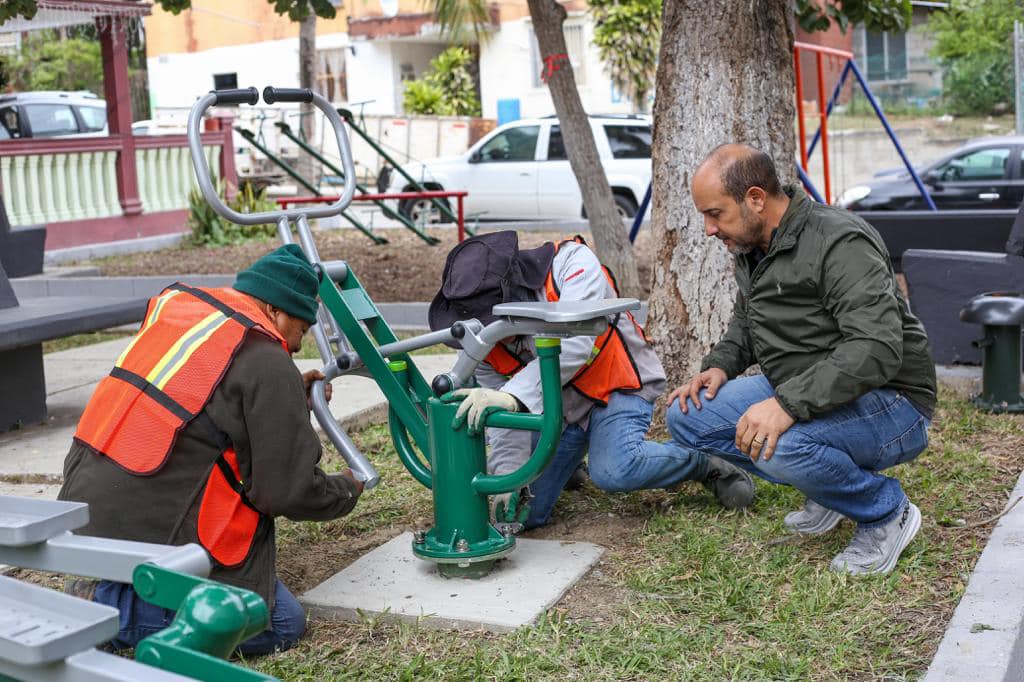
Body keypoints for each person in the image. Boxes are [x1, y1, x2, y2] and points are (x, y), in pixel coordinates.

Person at [59, 244, 364, 654]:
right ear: (275, 311)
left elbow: (202, 404)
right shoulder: (267, 360)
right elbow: (286, 492)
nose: (296, 345)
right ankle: (109, 608)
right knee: (279, 622)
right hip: (150, 537)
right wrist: (346, 489)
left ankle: (106, 585)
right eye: (302, 329)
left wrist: (288, 395)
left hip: (85, 515)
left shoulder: (191, 319)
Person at [666, 144, 937, 575]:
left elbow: (876, 348)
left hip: (893, 400)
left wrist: (786, 405)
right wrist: (720, 365)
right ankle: (829, 488)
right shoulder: (753, 245)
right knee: (688, 416)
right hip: (808, 387)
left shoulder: (839, 241)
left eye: (715, 214)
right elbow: (747, 321)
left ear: (755, 199)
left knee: (778, 445)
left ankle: (886, 513)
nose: (709, 229)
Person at [428, 230, 754, 530]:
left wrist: (512, 397)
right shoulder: (479, 342)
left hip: (619, 387)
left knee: (614, 470)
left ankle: (703, 463)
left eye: (489, 320)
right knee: (526, 514)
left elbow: (573, 347)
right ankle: (568, 464)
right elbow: (505, 418)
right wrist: (507, 480)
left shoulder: (572, 265)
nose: (488, 334)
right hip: (561, 410)